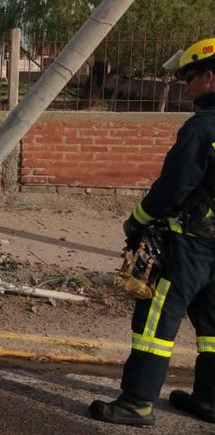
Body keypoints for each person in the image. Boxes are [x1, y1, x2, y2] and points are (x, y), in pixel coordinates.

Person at [89, 38, 215, 427]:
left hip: (190, 245)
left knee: (155, 324)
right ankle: (210, 400)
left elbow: (173, 189)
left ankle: (137, 402)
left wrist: (138, 220)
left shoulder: (202, 129)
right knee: (213, 326)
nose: (186, 85)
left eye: (190, 77)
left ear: (210, 78)